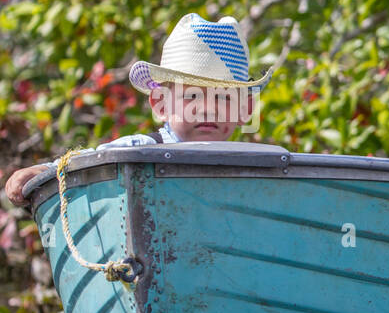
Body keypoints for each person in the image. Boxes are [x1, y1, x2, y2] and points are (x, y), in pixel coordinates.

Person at [4, 13, 271, 207]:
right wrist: (43, 171)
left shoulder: (251, 163)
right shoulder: (139, 151)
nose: (207, 109)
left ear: (244, 109)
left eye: (224, 99)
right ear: (160, 104)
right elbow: (89, 164)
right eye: (191, 95)